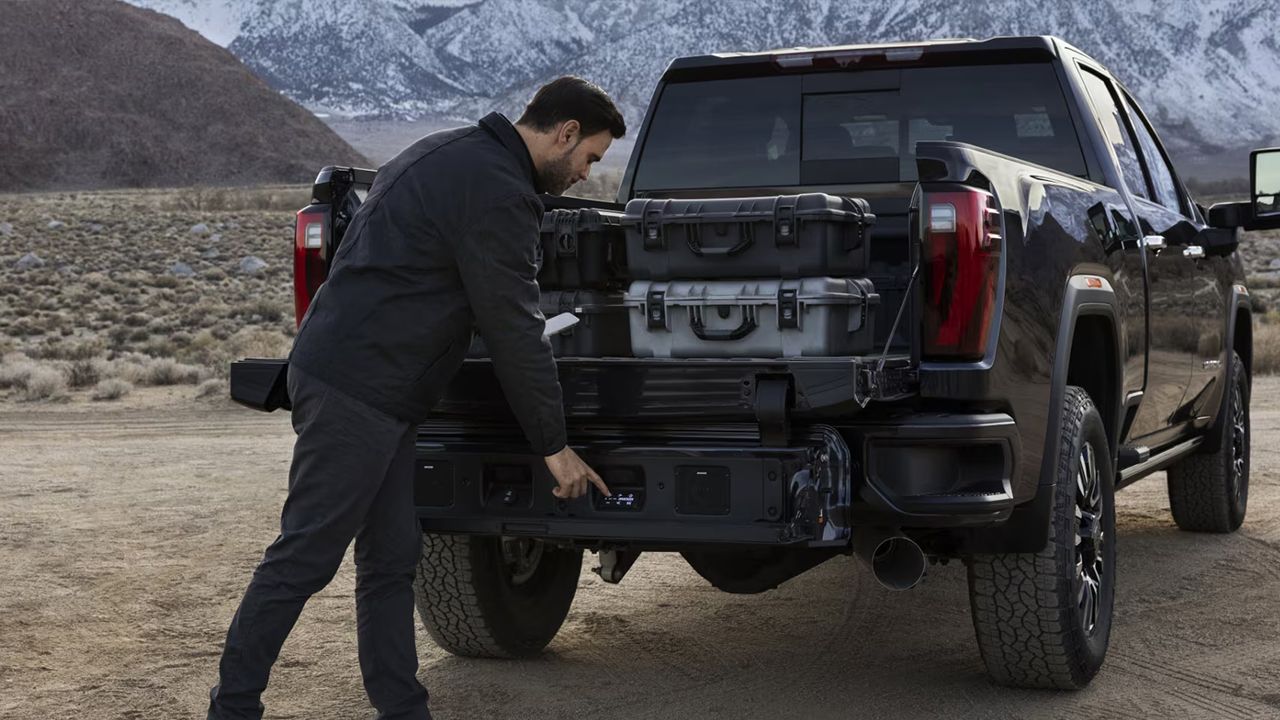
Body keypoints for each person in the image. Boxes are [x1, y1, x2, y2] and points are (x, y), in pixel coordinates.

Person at [207, 76, 625, 720]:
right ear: (564, 133)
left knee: (393, 556)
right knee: (305, 555)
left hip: (379, 387)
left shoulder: (446, 149)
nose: (585, 175)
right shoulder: (498, 190)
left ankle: (402, 707)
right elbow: (514, 328)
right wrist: (555, 447)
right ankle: (232, 709)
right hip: (359, 387)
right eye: (590, 158)